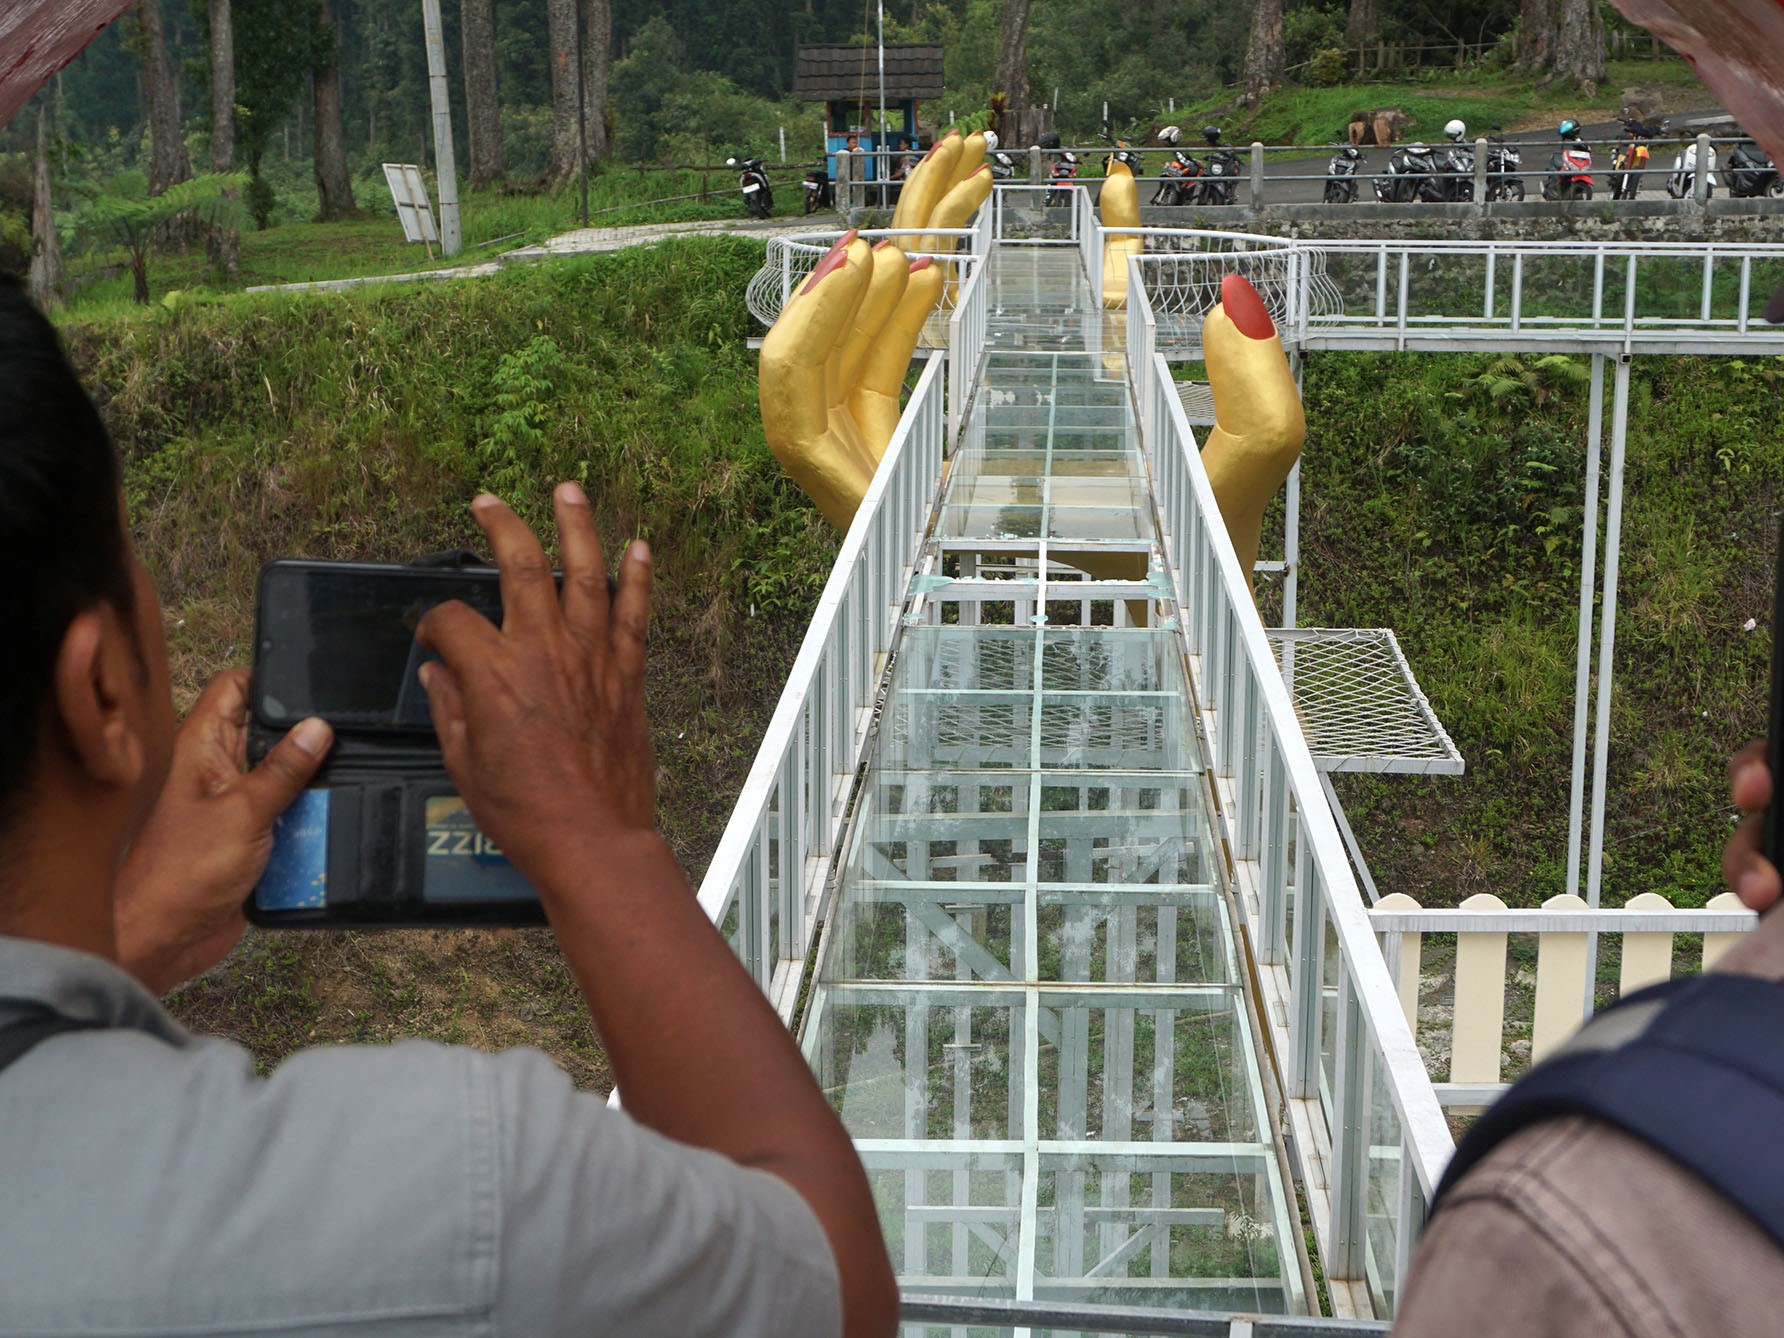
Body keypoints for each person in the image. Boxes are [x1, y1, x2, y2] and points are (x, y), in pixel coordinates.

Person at [0, 279, 899, 1338]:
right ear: (101, 689)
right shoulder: (469, 1204)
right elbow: (827, 1284)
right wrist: (596, 837)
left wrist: (132, 936)